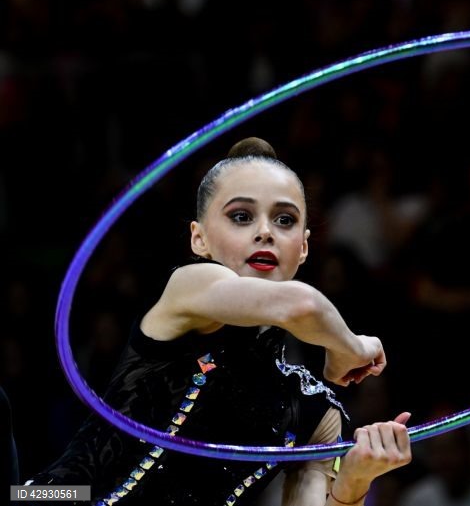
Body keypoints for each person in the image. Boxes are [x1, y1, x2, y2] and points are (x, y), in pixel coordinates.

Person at [25, 137, 412, 505]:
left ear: (304, 246)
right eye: (241, 216)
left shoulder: (315, 413)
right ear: (199, 240)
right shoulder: (191, 287)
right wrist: (353, 347)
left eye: (284, 220)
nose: (265, 232)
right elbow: (301, 307)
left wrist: (355, 483)